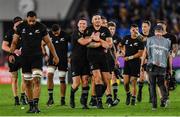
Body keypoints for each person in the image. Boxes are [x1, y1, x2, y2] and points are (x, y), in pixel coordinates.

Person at [10, 11, 59, 113]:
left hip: (37, 57)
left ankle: (36, 106)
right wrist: (11, 54)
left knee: (36, 80)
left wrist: (55, 56)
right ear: (27, 18)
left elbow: (48, 42)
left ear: (36, 18)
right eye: (30, 21)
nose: (32, 23)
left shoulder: (41, 27)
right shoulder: (21, 27)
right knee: (27, 82)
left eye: (33, 20)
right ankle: (31, 105)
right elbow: (14, 41)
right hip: (25, 58)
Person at [84, 14, 113, 109]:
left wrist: (98, 39)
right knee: (97, 78)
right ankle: (99, 101)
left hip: (104, 57)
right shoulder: (88, 30)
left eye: (99, 19)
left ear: (101, 21)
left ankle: (96, 97)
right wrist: (101, 44)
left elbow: (109, 45)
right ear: (92, 21)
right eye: (95, 19)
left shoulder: (105, 30)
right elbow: (88, 44)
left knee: (107, 80)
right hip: (92, 57)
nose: (97, 20)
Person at [141, 25, 170, 110]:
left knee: (152, 86)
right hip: (162, 66)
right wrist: (169, 68)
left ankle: (154, 106)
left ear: (154, 31)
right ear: (162, 31)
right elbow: (167, 55)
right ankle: (165, 98)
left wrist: (142, 65)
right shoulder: (167, 42)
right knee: (161, 84)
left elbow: (147, 53)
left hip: (152, 65)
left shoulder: (149, 40)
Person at [42, 24, 70, 106]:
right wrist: (45, 55)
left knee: (62, 78)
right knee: (49, 75)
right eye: (54, 33)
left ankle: (62, 99)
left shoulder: (65, 35)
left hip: (63, 59)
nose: (55, 34)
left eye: (57, 33)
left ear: (60, 29)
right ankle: (50, 98)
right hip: (52, 59)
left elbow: (74, 44)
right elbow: (41, 44)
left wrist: (71, 56)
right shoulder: (49, 34)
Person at [2, 16, 27, 106]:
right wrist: (13, 51)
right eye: (19, 23)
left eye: (21, 23)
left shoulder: (24, 32)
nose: (20, 25)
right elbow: (4, 46)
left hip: (24, 57)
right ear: (15, 24)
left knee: (25, 77)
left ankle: (23, 97)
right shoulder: (10, 33)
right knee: (14, 78)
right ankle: (16, 99)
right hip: (13, 57)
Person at [70, 18, 91, 109]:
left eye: (84, 24)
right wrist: (92, 38)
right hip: (76, 61)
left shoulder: (88, 34)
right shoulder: (75, 33)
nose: (82, 25)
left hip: (86, 61)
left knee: (85, 81)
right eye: (81, 23)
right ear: (78, 25)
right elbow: (82, 42)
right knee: (76, 84)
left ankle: (84, 103)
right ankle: (71, 96)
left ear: (86, 25)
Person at [120, 24, 144, 106]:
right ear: (130, 30)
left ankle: (133, 98)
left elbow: (140, 53)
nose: (135, 31)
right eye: (133, 30)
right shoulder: (126, 38)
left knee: (133, 81)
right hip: (127, 63)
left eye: (136, 30)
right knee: (125, 83)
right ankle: (128, 94)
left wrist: (129, 57)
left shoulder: (140, 40)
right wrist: (123, 52)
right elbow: (120, 45)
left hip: (136, 63)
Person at [137, 20, 152, 102]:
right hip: (140, 59)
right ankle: (139, 91)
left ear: (149, 27)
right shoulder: (138, 37)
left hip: (150, 59)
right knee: (141, 77)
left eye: (145, 26)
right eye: (142, 27)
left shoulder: (152, 36)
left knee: (150, 78)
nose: (143, 28)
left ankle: (151, 96)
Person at [107, 21, 121, 105]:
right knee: (107, 79)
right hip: (105, 60)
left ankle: (114, 97)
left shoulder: (117, 38)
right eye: (110, 29)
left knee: (114, 77)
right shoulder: (105, 37)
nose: (112, 30)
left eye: (113, 29)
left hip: (114, 60)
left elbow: (119, 49)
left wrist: (118, 59)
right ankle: (108, 97)